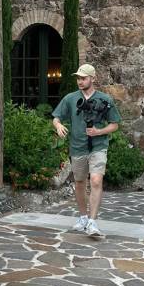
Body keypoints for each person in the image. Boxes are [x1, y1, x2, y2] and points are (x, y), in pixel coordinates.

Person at [52, 63, 121, 237]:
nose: (80, 81)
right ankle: (83, 218)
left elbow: (114, 125)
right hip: (77, 147)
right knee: (80, 183)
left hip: (98, 146)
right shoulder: (70, 98)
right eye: (78, 78)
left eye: (83, 78)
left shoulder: (105, 99)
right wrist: (58, 125)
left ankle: (92, 222)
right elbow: (56, 117)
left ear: (92, 78)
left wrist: (99, 131)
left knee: (96, 181)